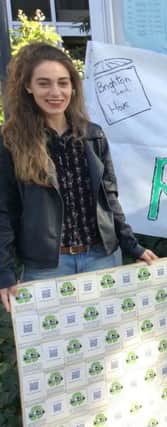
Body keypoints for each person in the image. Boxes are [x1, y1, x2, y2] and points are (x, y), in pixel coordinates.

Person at [0, 42, 158, 313]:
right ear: (28, 87)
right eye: (44, 83)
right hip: (47, 267)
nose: (55, 92)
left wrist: (131, 245)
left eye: (63, 83)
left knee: (107, 345)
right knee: (51, 349)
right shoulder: (11, 142)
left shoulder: (92, 135)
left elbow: (109, 198)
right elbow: (3, 211)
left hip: (101, 258)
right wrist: (3, 271)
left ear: (74, 87)